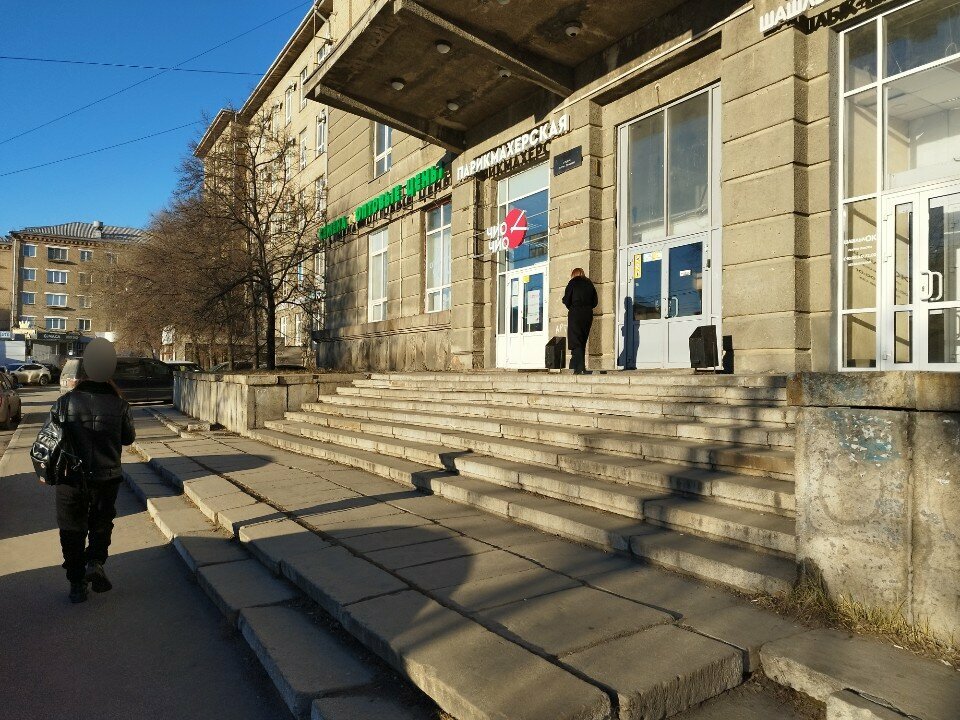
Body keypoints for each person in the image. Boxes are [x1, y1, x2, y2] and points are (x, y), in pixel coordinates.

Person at [46, 338, 136, 603]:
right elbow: (128, 439)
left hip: (70, 478)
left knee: (71, 529)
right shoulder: (120, 405)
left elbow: (50, 439)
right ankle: (95, 562)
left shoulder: (64, 402)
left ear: (85, 369)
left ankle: (76, 584)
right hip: (107, 477)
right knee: (101, 523)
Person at [562, 268, 598, 375]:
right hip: (587, 314)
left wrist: (571, 306)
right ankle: (575, 365)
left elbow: (566, 299)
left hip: (575, 312)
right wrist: (587, 307)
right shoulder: (589, 284)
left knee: (575, 339)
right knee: (582, 339)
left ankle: (580, 367)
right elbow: (595, 302)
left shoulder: (572, 283)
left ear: (573, 274)